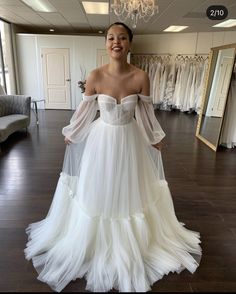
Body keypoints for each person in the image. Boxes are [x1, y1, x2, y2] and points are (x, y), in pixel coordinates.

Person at [24, 22, 201, 292]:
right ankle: (93, 239)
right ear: (106, 43)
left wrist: (155, 137)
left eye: (121, 38)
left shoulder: (141, 76)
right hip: (101, 140)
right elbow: (85, 112)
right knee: (99, 187)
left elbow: (145, 113)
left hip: (130, 139)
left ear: (130, 43)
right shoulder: (95, 76)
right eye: (110, 38)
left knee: (130, 188)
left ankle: (134, 241)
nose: (115, 42)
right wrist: (73, 131)